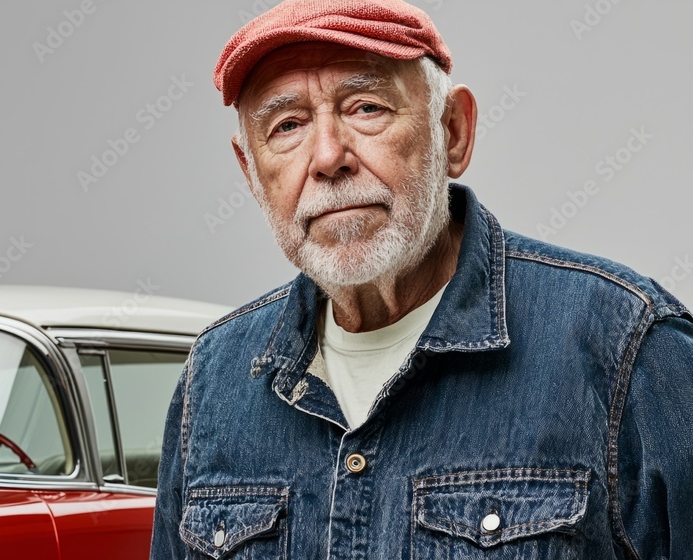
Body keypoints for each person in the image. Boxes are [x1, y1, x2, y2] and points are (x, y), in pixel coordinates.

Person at [150, 0, 693, 558]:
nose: (329, 157)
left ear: (452, 132)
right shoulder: (212, 380)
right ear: (251, 173)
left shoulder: (628, 348)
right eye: (287, 126)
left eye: (366, 107)